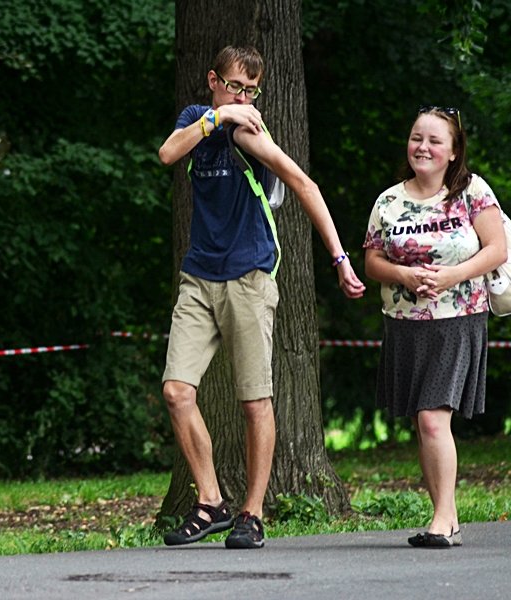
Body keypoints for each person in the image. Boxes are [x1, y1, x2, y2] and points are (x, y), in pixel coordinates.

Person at [158, 45, 365, 550]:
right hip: (199, 276)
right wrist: (219, 115)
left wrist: (339, 259)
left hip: (249, 276)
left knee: (255, 401)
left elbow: (303, 183)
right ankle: (210, 502)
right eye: (235, 86)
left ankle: (252, 513)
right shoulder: (199, 119)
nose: (244, 97)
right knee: (176, 391)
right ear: (213, 80)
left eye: (252, 91)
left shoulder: (252, 133)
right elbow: (167, 153)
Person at [362, 106, 507, 548]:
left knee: (431, 418)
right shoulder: (388, 201)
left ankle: (442, 520)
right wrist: (404, 276)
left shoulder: (472, 192)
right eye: (416, 138)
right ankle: (448, 515)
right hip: (405, 324)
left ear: (453, 150)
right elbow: (371, 261)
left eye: (434, 141)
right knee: (424, 420)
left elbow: (496, 249)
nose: (422, 147)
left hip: (457, 318)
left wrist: (451, 276)